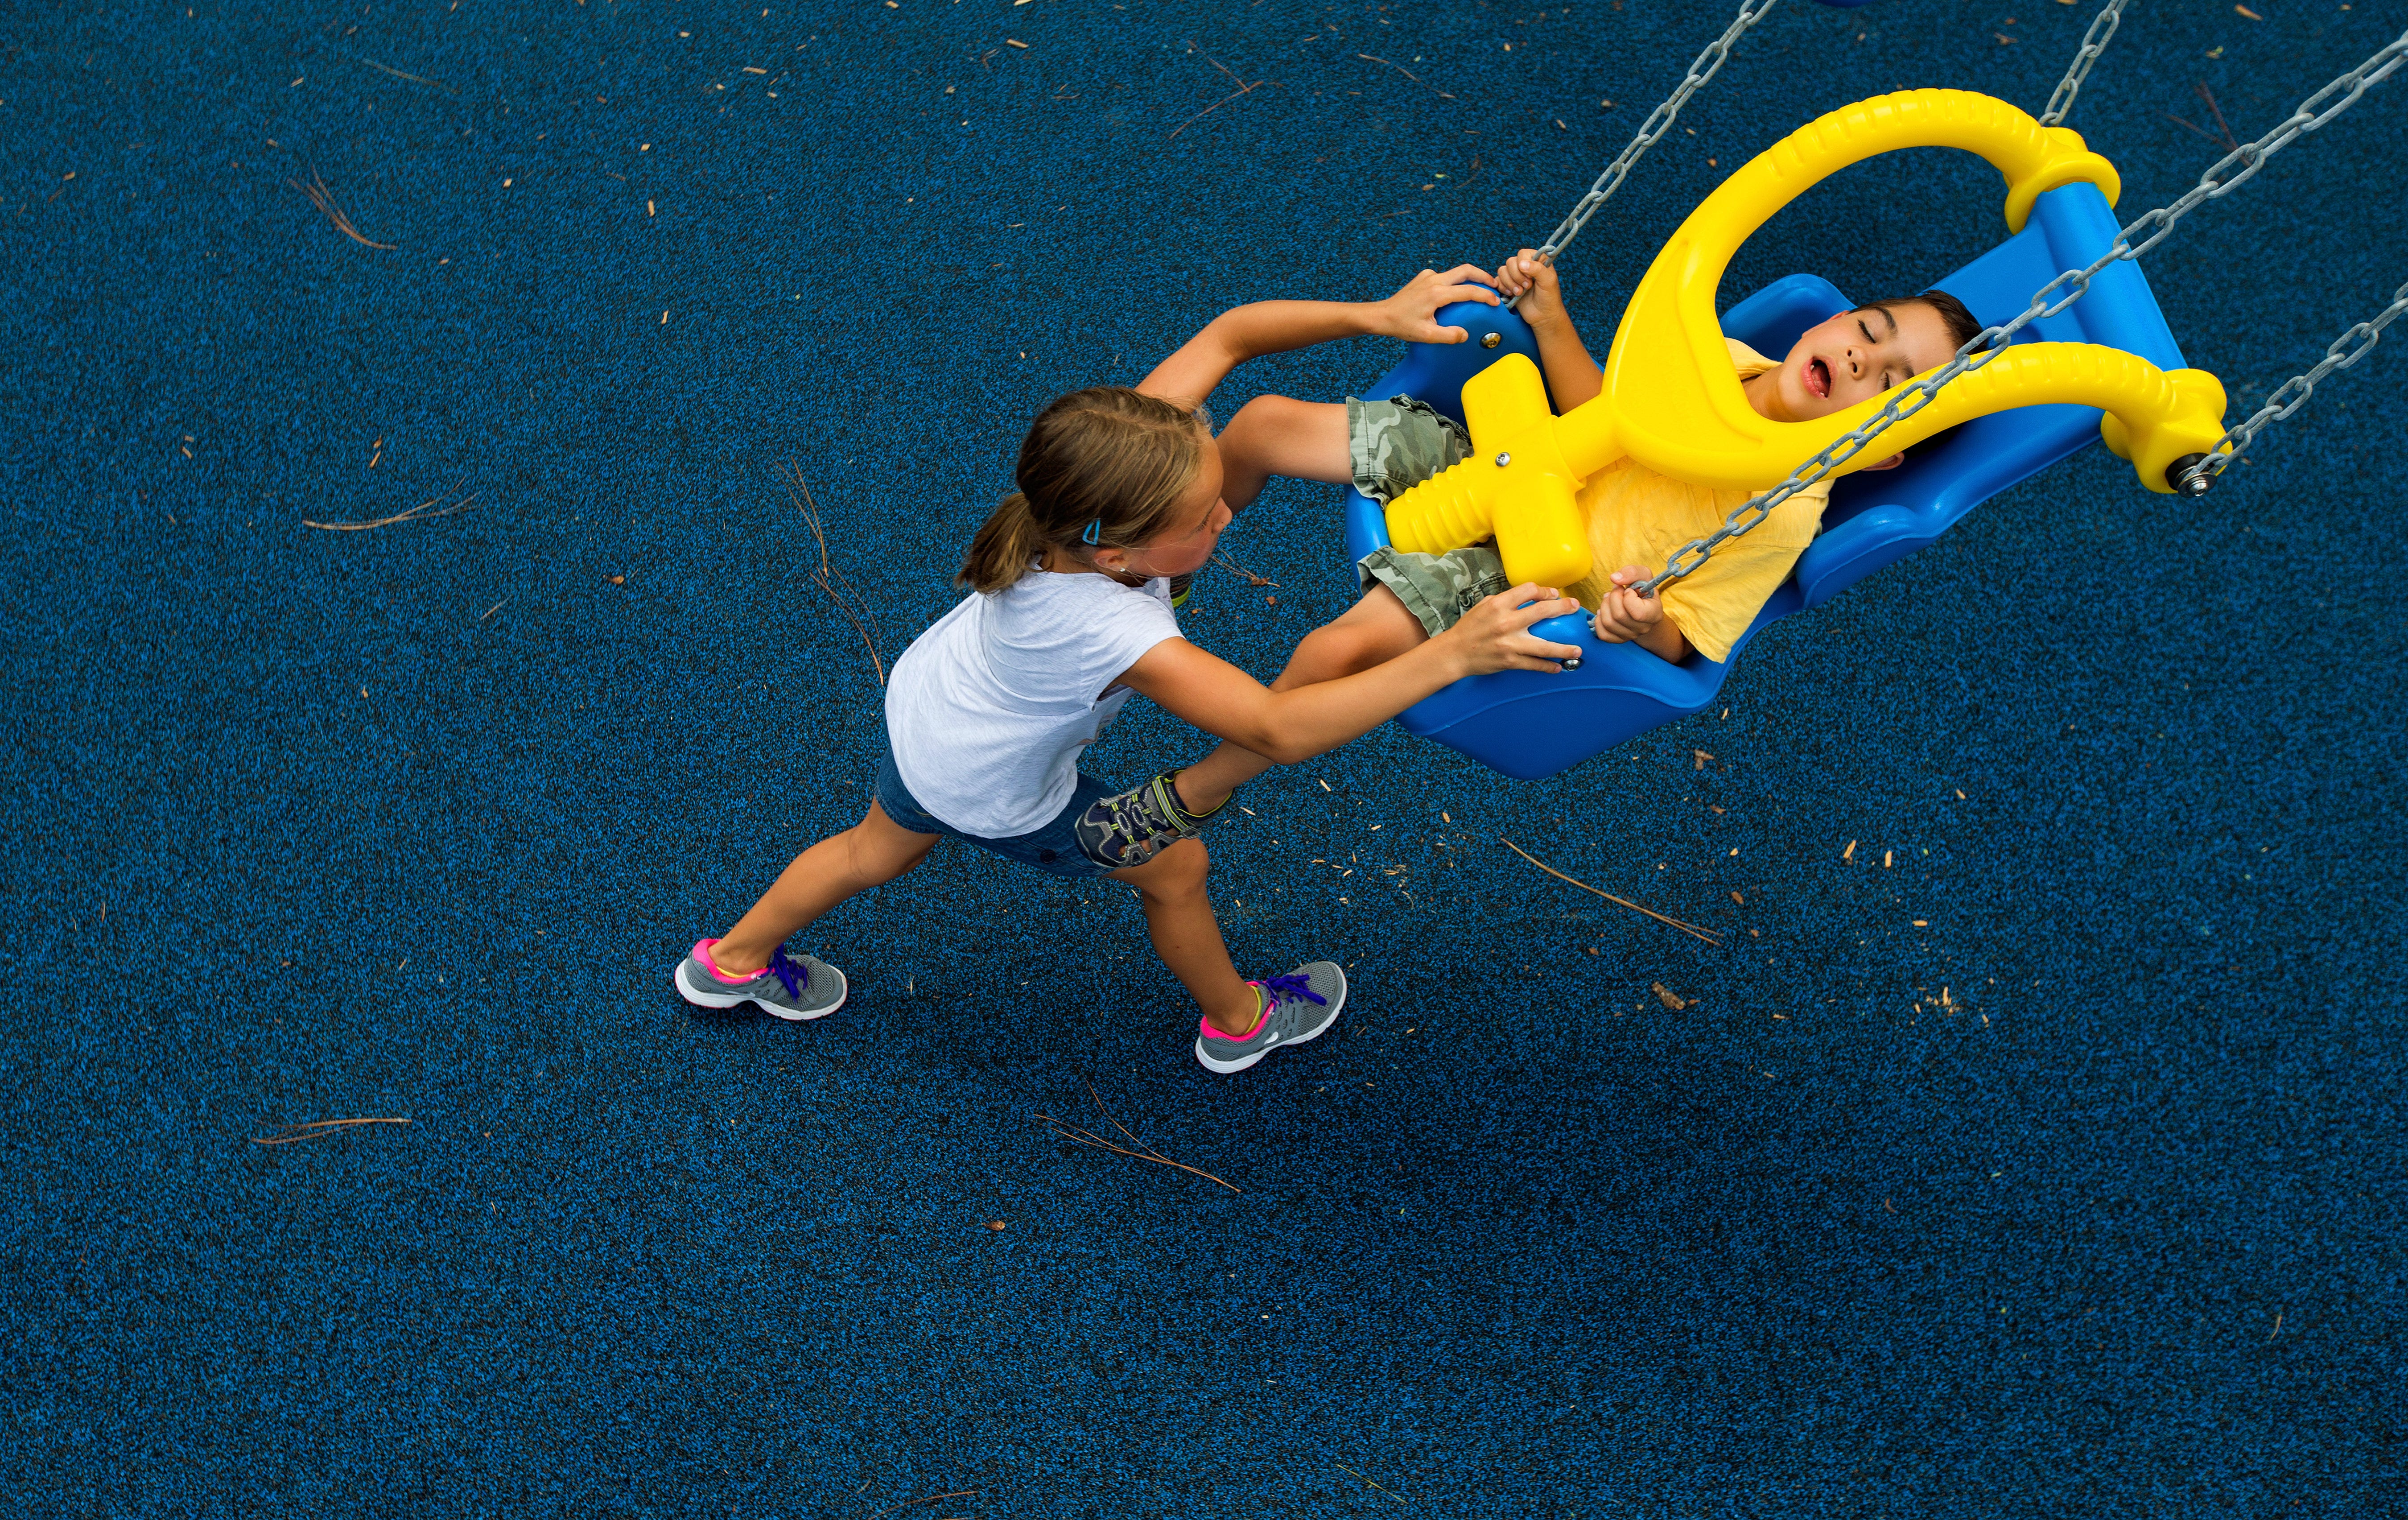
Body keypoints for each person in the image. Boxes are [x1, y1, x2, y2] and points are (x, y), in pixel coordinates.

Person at [673, 269, 1584, 1074]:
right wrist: (1450, 653)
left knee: (875, 848)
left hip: (931, 712)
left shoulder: (1094, 487)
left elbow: (1231, 334)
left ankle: (730, 963)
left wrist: (1377, 316)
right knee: (1177, 866)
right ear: (1119, 556)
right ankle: (1239, 1021)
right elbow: (1273, 728)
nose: (1223, 518)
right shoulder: (1110, 630)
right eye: (1198, 520)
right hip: (994, 786)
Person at [1074, 250, 1982, 867]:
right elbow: (1599, 412)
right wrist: (1550, 320)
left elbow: (1694, 646)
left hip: (1533, 570)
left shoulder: (1782, 517)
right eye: (1868, 329)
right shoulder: (1728, 360)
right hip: (1512, 459)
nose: (1862, 358)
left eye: (1896, 381)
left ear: (1885, 450)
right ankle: (1173, 557)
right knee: (1267, 423)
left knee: (1328, 653)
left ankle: (1197, 791)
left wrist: (1642, 620)